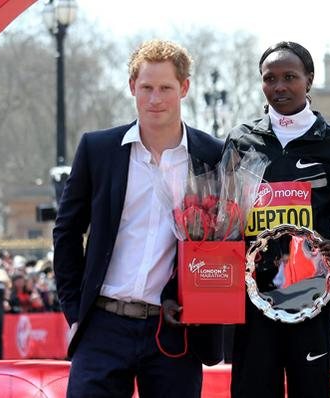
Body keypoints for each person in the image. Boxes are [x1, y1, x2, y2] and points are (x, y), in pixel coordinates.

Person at [53, 39, 223, 398]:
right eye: (146, 87)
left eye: (165, 88)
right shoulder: (97, 150)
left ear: (185, 88)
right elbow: (66, 231)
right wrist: (73, 311)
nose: (155, 98)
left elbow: (224, 243)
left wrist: (204, 305)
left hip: (173, 328)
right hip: (101, 325)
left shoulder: (213, 156)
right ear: (132, 87)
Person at [224, 41, 330, 398]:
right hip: (254, 299)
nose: (279, 86)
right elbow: (225, 217)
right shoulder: (240, 139)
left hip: (312, 295)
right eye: (269, 78)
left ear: (309, 80)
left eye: (289, 77)